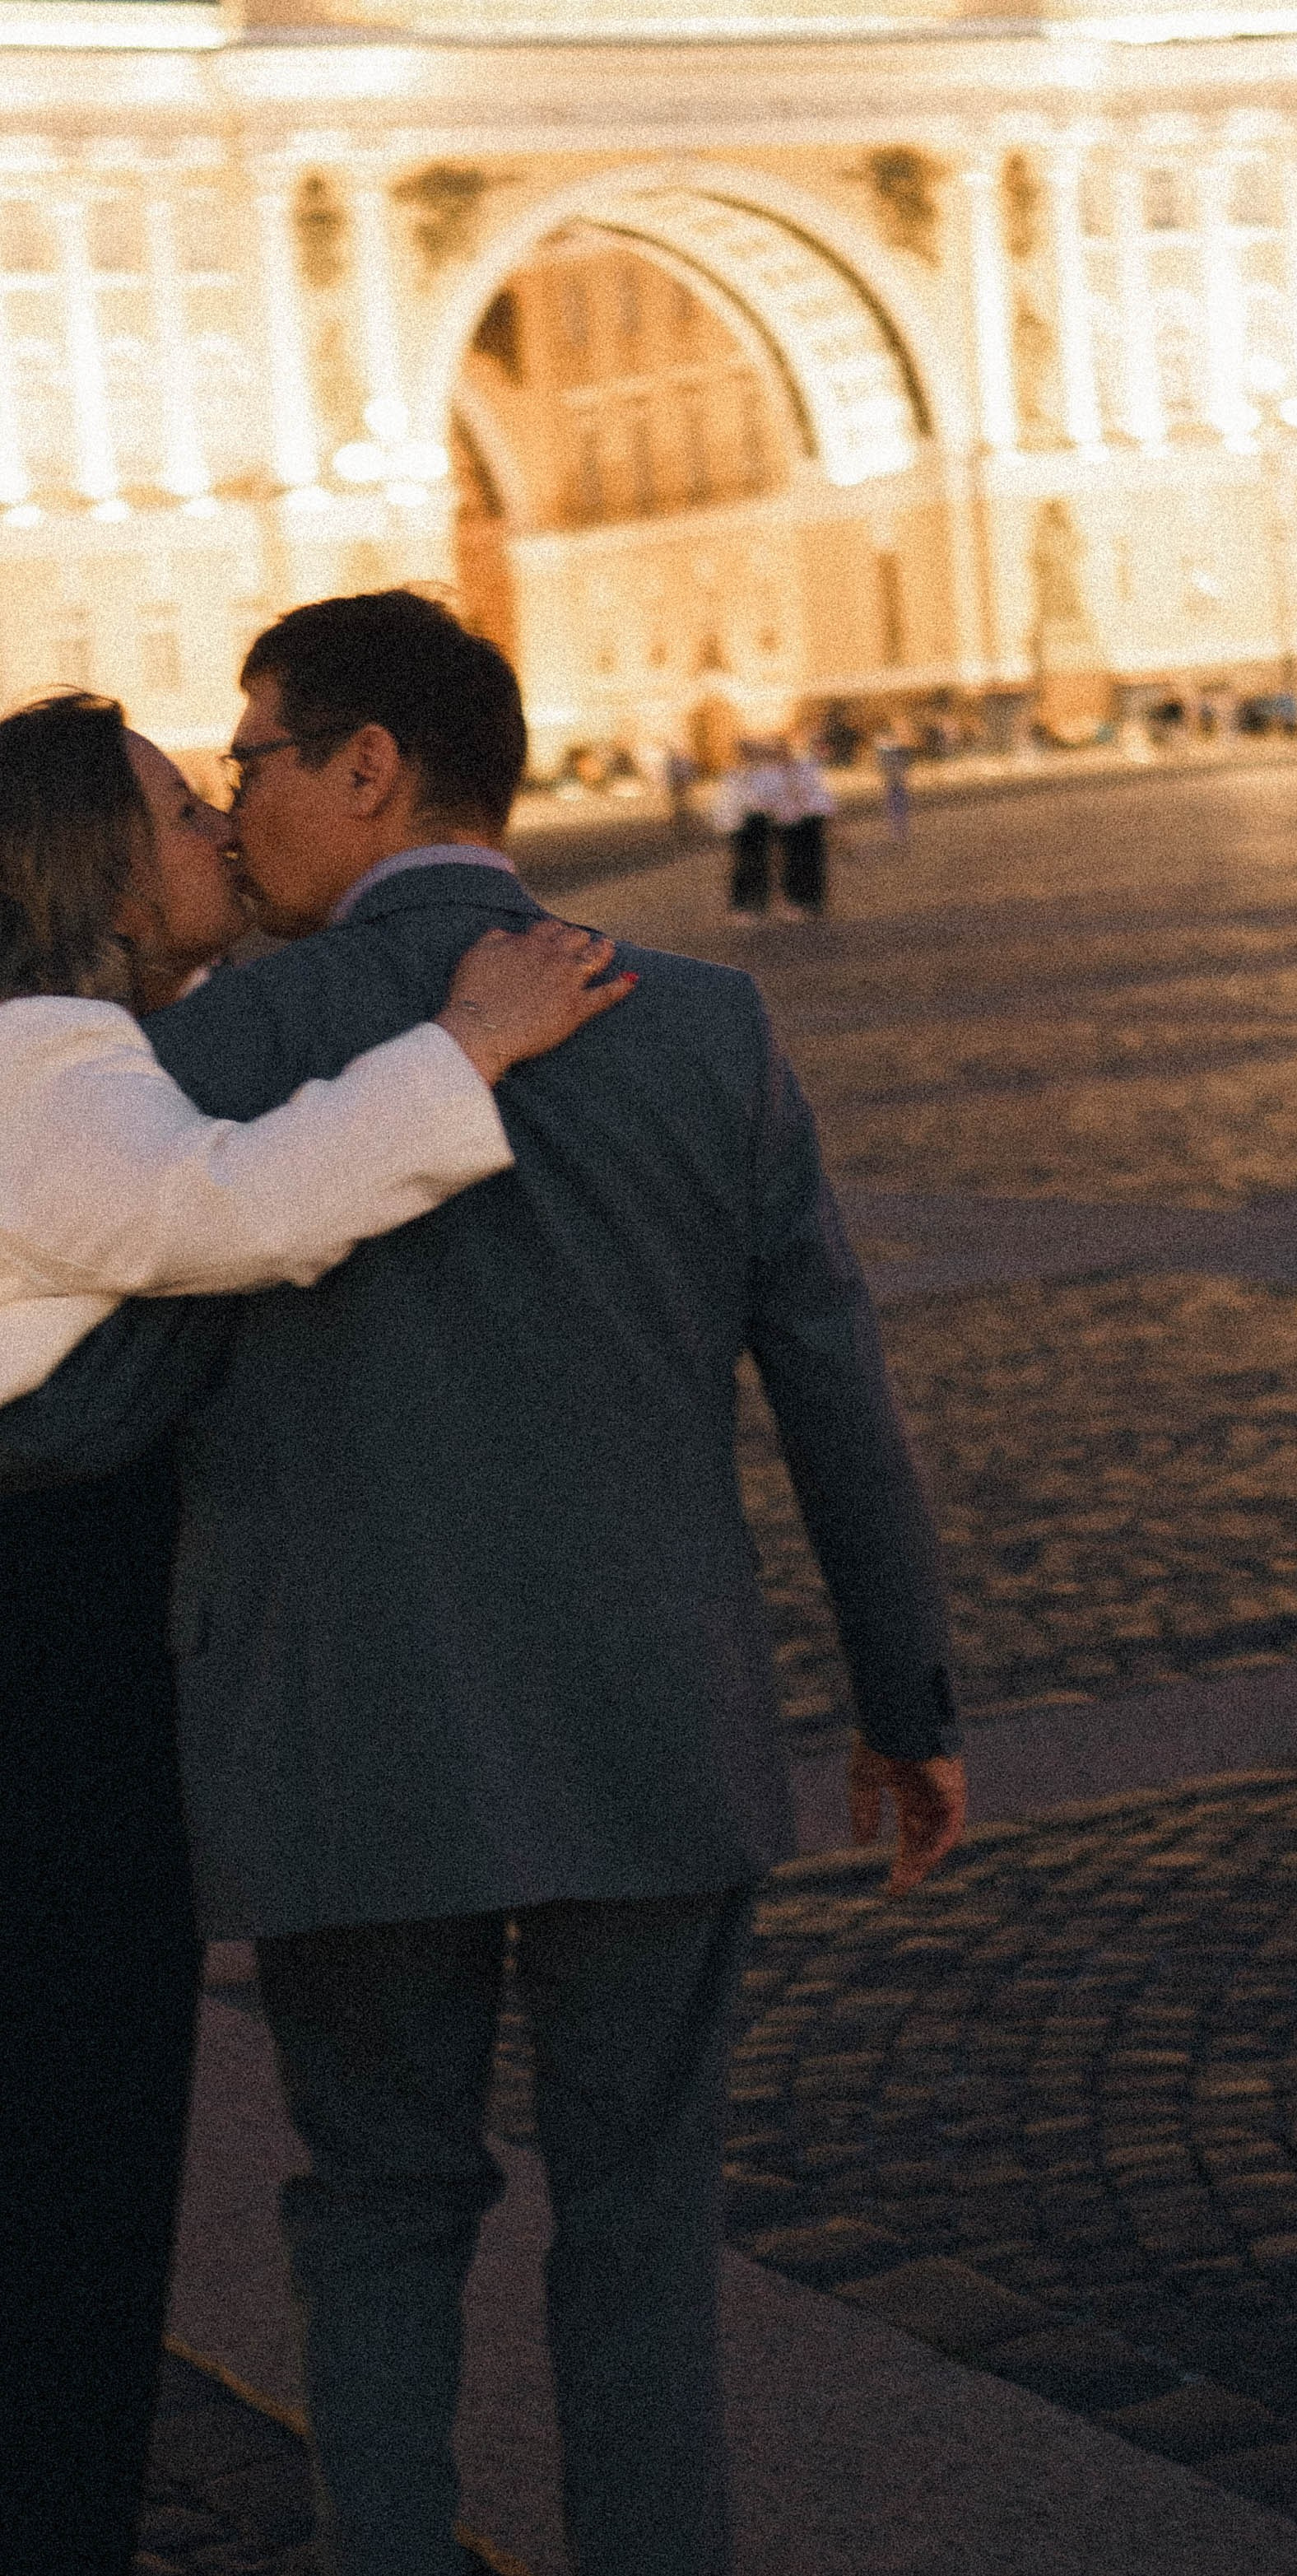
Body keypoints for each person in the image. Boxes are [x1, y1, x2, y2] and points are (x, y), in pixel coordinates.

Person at [0, 591, 965, 2576]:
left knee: (374, 2215)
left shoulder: (211, 1046)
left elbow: (111, 1374)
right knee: (639, 2217)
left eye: (249, 758)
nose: (231, 800)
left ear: (367, 770)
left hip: (344, 1737)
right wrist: (905, 1705)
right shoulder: (710, 1022)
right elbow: (836, 1387)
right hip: (652, 1724)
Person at [0, 688, 630, 2576]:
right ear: (95, 865)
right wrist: (465, 1047)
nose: (211, 829)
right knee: (67, 2199)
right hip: (40, 1743)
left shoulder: (80, 1048)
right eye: (177, 809)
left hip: (56, 1719)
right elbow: (248, 1211)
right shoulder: (48, 1063)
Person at [711, 738, 785, 919]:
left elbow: (775, 797)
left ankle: (761, 904)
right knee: (743, 864)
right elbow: (725, 802)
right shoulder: (733, 775)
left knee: (763, 863)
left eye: (750, 753)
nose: (747, 757)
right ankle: (741, 905)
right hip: (741, 823)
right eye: (744, 753)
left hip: (760, 821)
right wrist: (725, 823)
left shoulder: (766, 774)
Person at [775, 738, 835, 917]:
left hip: (810, 820)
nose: (782, 755)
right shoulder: (773, 774)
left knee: (814, 861)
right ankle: (795, 903)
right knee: (791, 863)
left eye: (784, 750)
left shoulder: (807, 767)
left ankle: (815, 903)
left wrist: (828, 815)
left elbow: (820, 792)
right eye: (778, 752)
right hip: (788, 823)